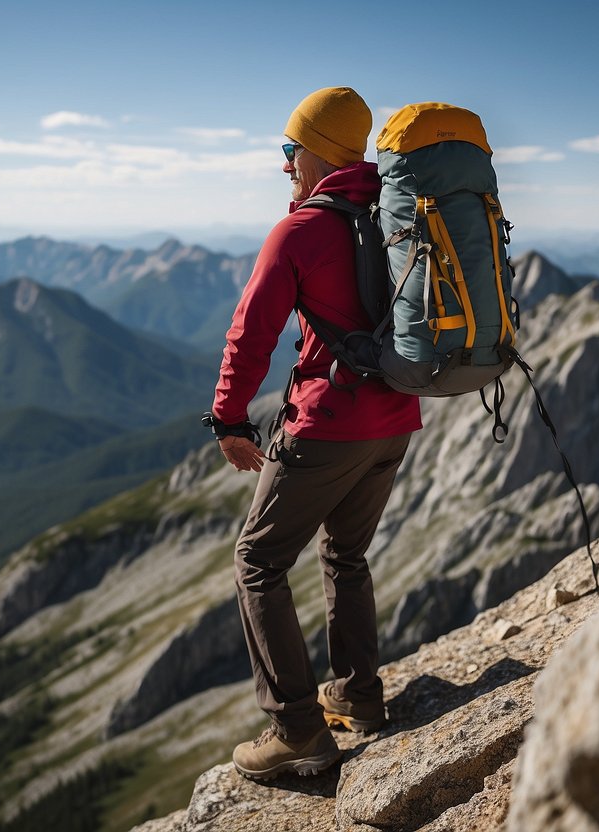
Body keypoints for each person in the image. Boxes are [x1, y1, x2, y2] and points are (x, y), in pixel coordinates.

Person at [205, 87, 422, 780]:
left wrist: (229, 420)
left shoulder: (299, 231)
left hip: (329, 425)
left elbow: (251, 333)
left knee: (259, 562)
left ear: (315, 153)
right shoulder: (392, 214)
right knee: (345, 555)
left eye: (288, 150)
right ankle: (359, 697)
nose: (283, 166)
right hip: (395, 422)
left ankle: (296, 729)